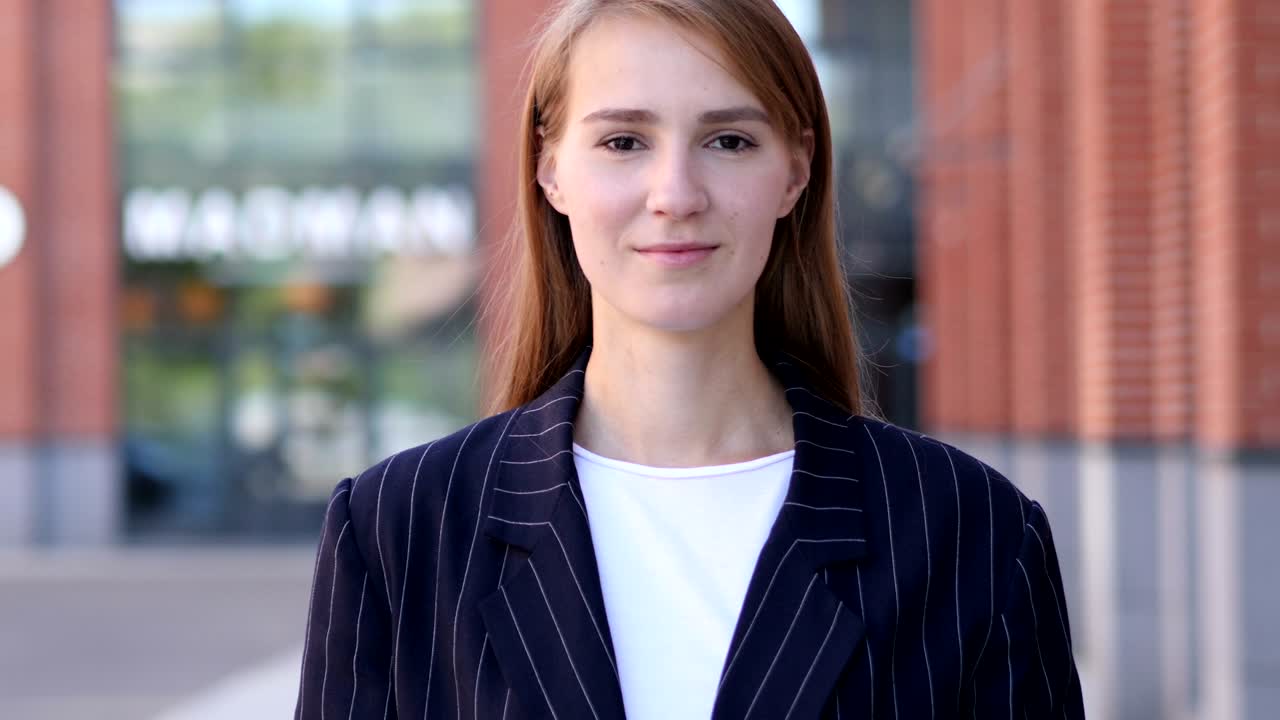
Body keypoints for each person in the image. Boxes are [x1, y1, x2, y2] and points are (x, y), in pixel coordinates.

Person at [295, 0, 1085, 718]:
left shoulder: (970, 531)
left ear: (795, 172)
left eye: (729, 140)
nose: (675, 192)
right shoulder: (399, 530)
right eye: (624, 141)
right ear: (550, 169)